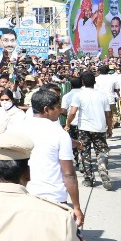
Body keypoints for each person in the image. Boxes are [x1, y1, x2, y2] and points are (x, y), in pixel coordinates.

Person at [25, 87, 84, 226]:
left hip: (24, 195)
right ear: (47, 110)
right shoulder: (60, 134)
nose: (61, 111)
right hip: (53, 197)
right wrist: (76, 206)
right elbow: (68, 174)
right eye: (57, 107)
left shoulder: (17, 128)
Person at [64, 70, 113, 188]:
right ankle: (102, 168)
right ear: (94, 82)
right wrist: (110, 128)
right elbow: (108, 114)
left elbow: (73, 112)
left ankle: (88, 178)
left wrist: (68, 124)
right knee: (102, 150)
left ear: (82, 82)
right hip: (99, 128)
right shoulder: (102, 95)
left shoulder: (78, 95)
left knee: (84, 152)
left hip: (84, 128)